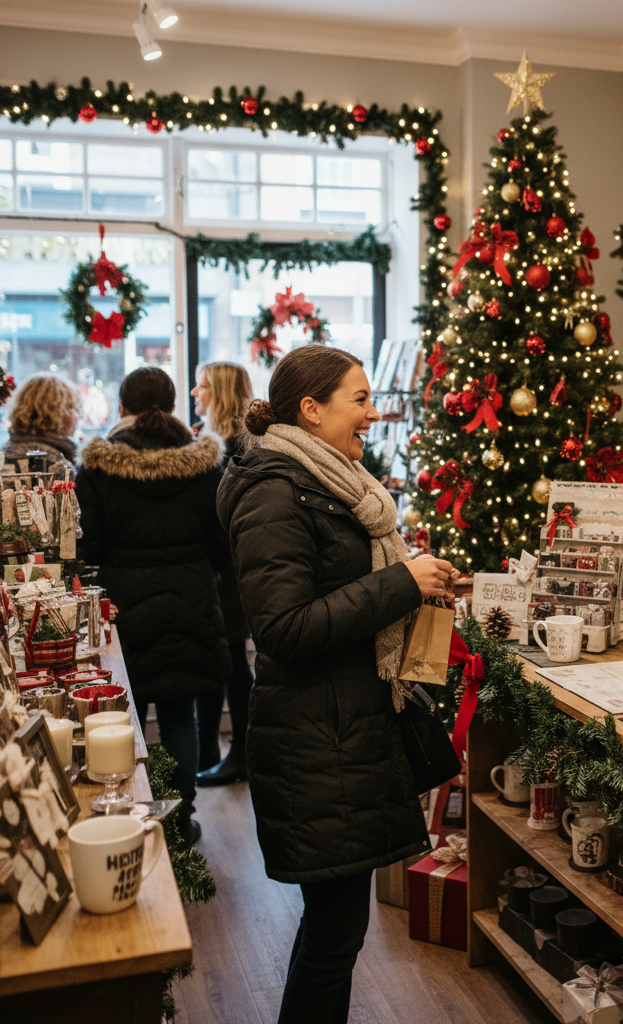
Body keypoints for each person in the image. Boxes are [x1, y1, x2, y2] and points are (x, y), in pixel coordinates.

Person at [217, 345, 458, 1024]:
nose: (373, 413)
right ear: (311, 409)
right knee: (333, 935)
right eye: (359, 399)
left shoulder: (324, 481)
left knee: (335, 932)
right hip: (317, 741)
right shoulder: (273, 491)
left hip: (343, 730)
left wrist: (413, 586)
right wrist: (397, 584)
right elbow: (285, 627)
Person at [76, 367, 231, 845]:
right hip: (192, 599)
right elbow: (221, 545)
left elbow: (88, 550)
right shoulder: (204, 464)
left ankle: (128, 821)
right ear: (171, 406)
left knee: (124, 716)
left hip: (123, 608)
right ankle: (180, 823)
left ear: (121, 409)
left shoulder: (98, 468)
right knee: (180, 713)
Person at [190, 361, 255, 784]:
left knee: (233, 661)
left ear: (222, 393)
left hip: (233, 568)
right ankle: (216, 752)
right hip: (227, 567)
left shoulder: (233, 448)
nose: (195, 394)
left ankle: (242, 756)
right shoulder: (222, 442)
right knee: (225, 658)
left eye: (202, 387)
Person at [3, 374, 79, 471]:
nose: (76, 416)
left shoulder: (5, 454)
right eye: (71, 407)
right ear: (53, 412)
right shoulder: (55, 464)